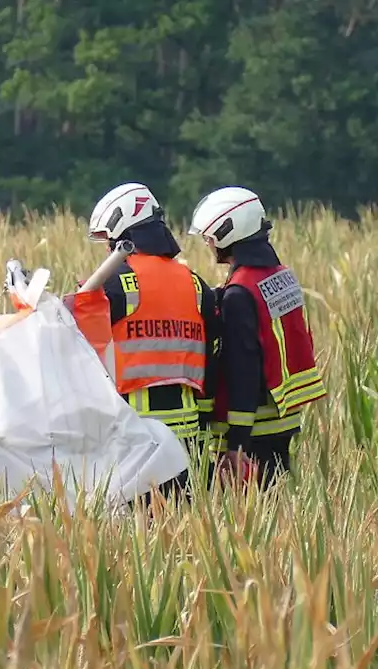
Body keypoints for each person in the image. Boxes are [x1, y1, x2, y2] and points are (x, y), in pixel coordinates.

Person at [82, 182, 220, 506]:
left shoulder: (118, 284)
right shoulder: (196, 285)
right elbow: (214, 362)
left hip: (135, 438)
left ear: (121, 232)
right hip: (189, 440)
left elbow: (74, 339)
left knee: (139, 547)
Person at [186, 186, 328, 491]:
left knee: (251, 516)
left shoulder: (240, 293)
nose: (208, 244)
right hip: (285, 417)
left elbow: (243, 369)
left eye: (209, 237)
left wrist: (236, 442)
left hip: (254, 426)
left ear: (228, 234)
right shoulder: (280, 275)